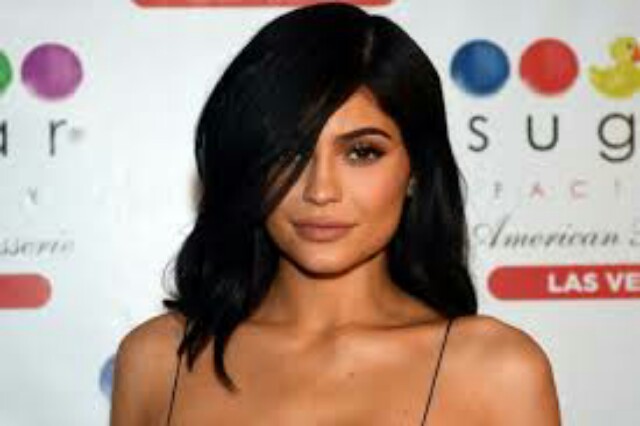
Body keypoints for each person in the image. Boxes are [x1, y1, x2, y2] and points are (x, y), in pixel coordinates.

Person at [110, 2, 561, 425]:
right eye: (289, 153)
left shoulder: (498, 371)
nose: (321, 190)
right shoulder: (156, 360)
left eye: (362, 152)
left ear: (416, 171)